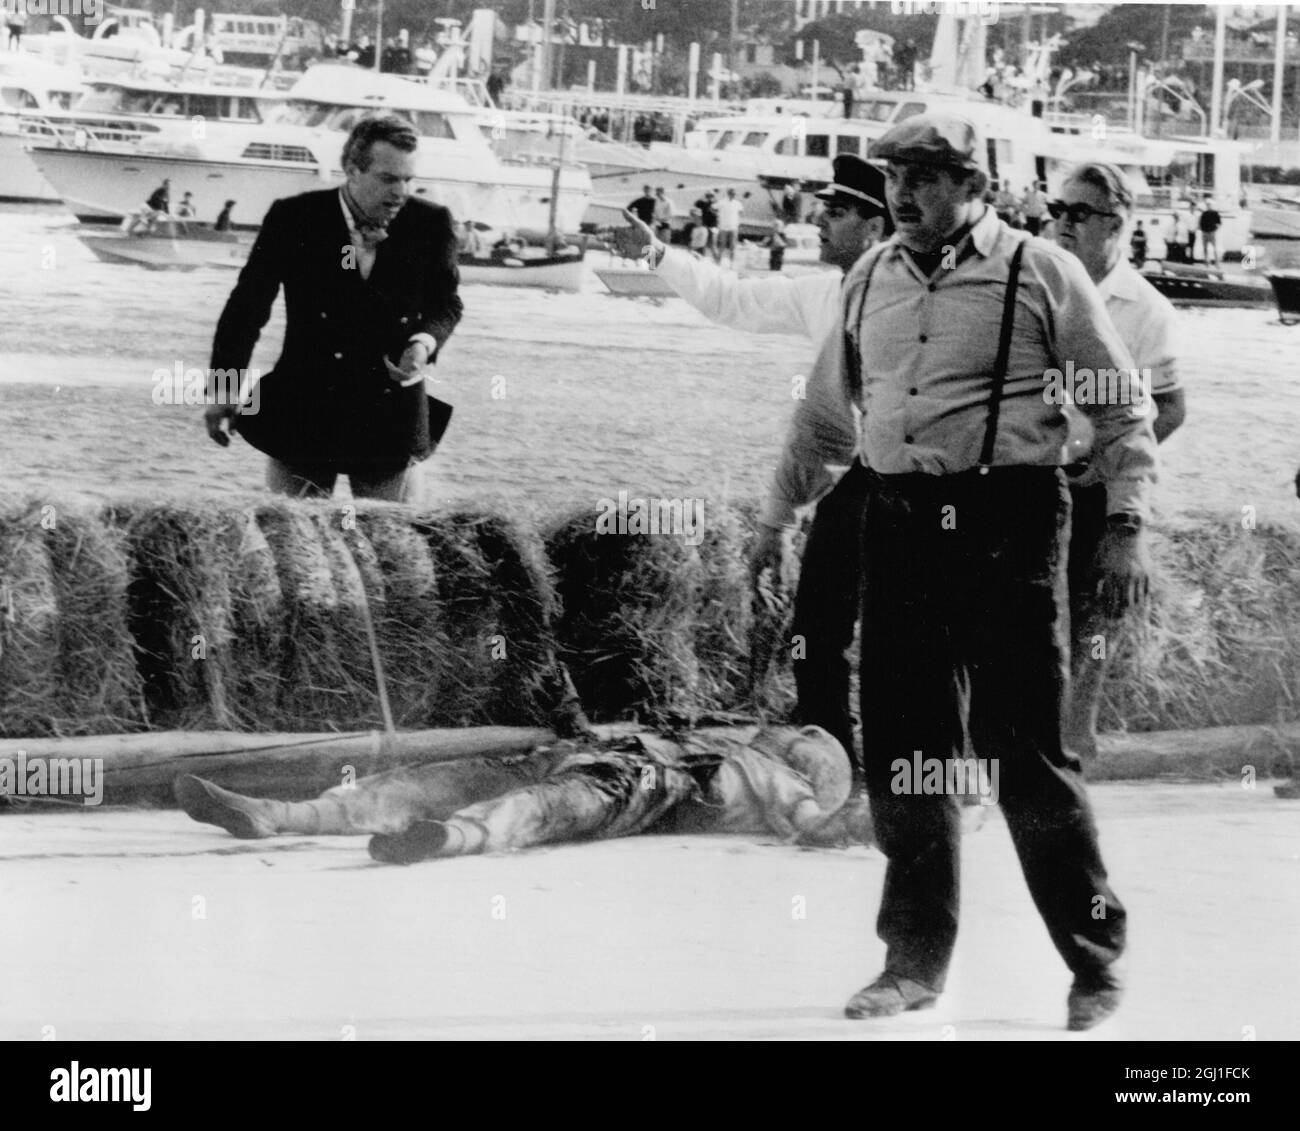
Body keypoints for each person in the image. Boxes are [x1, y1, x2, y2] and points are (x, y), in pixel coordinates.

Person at [790, 113, 1156, 1030]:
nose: (902, 194)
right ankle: (912, 962)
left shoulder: (1042, 271)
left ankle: (1093, 960)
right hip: (902, 525)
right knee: (909, 755)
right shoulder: (870, 276)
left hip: (1009, 524)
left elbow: (1123, 412)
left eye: (925, 176)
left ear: (975, 186)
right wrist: (773, 517)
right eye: (894, 175)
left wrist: (1127, 527)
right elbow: (826, 419)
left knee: (1028, 757)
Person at [624, 155, 892, 779]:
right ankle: (836, 772)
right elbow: (732, 300)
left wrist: (779, 519)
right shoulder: (823, 293)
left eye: (838, 211)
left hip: (918, 483)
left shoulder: (915, 298)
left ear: (876, 227)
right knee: (817, 633)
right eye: (823, 208)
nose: (819, 220)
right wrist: (657, 255)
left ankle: (907, 777)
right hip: (855, 484)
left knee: (898, 640)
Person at [204, 115, 462, 503]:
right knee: (296, 548)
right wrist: (224, 389)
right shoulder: (294, 219)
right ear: (352, 171)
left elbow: (447, 302)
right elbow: (246, 309)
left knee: (395, 551)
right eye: (388, 179)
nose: (401, 193)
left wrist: (424, 343)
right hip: (305, 406)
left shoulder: (431, 223)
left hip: (389, 412)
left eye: (409, 180)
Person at [173, 725, 856, 862]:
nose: (793, 729)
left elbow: (812, 825)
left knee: (545, 809)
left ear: (808, 762)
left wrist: (871, 819)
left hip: (649, 786)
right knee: (422, 781)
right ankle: (275, 814)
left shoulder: (779, 780)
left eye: (804, 736)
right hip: (586, 754)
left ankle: (451, 838)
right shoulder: (727, 732)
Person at [1051, 164, 1186, 764]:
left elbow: (1170, 408)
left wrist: (1099, 459)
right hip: (1033, 479)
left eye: (1080, 214)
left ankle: (1077, 744)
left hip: (1099, 485)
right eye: (1058, 210)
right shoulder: (1042, 285)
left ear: (1118, 224)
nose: (1062, 223)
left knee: (1097, 618)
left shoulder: (1145, 309)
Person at [715, 187, 743, 265]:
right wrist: (718, 215)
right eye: (731, 193)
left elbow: (740, 212)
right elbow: (712, 208)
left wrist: (737, 221)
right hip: (723, 227)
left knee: (733, 246)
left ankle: (732, 263)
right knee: (722, 245)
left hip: (733, 227)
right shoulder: (722, 202)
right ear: (728, 193)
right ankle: (718, 262)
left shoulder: (738, 203)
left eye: (734, 194)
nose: (733, 195)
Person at [695, 190, 719, 257]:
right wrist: (703, 196)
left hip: (713, 227)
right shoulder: (704, 203)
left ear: (714, 196)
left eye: (711, 196)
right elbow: (696, 203)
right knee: (703, 244)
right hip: (705, 227)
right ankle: (702, 259)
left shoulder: (716, 204)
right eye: (708, 196)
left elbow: (718, 214)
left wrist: (712, 209)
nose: (709, 197)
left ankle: (717, 261)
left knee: (713, 245)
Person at [1198, 202, 1222, 266]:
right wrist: (1203, 231)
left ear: (1211, 205)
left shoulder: (1215, 213)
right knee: (1205, 248)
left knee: (1214, 248)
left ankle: (1217, 262)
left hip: (1212, 233)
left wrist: (1214, 230)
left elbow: (1219, 223)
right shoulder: (1204, 213)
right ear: (1206, 206)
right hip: (1204, 233)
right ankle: (1206, 261)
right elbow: (1200, 224)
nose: (1208, 206)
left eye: (1209, 205)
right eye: (1207, 205)